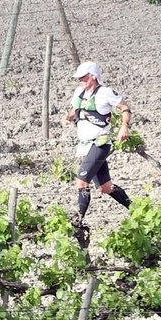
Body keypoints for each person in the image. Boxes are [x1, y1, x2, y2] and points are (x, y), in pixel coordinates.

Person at [63, 61, 133, 227]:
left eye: (83, 77)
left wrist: (124, 126)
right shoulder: (79, 92)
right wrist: (67, 118)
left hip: (100, 144)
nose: (80, 81)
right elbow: (76, 109)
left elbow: (125, 108)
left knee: (81, 181)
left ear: (93, 76)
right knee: (105, 187)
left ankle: (78, 220)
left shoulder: (105, 93)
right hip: (85, 146)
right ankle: (135, 208)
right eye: (79, 78)